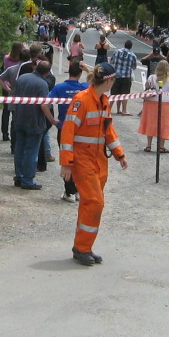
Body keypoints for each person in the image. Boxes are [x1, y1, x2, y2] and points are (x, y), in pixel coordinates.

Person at [59, 62, 128, 266]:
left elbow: (108, 131)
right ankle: (82, 248)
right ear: (107, 81)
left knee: (89, 204)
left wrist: (119, 154)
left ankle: (84, 247)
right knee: (95, 202)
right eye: (113, 80)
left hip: (99, 161)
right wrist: (66, 163)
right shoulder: (82, 100)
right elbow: (67, 132)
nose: (114, 83)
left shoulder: (103, 101)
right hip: (83, 160)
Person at [12, 60, 57, 191]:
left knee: (19, 149)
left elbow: (15, 95)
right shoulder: (43, 84)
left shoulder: (22, 78)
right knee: (31, 151)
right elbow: (44, 105)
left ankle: (19, 177)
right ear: (47, 73)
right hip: (34, 121)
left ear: (36, 67)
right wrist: (52, 120)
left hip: (19, 118)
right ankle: (27, 180)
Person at [47, 61, 88, 202]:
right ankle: (77, 190)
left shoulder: (59, 88)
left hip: (64, 128)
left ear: (68, 72)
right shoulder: (84, 88)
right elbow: (97, 83)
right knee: (79, 161)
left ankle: (70, 192)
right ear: (80, 73)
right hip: (80, 129)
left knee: (67, 160)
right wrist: (88, 70)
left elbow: (44, 103)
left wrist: (52, 120)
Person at [138, 60, 169, 153]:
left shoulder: (152, 77)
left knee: (151, 122)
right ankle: (161, 146)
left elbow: (147, 87)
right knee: (164, 124)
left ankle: (149, 145)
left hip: (152, 102)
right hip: (166, 103)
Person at [0, 41, 26, 141]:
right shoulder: (20, 61)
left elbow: (5, 68)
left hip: (6, 85)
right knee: (15, 111)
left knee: (6, 110)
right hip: (16, 86)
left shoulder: (6, 58)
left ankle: (4, 133)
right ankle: (15, 133)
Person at [108, 39, 138, 115]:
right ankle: (124, 110)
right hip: (126, 76)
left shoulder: (117, 52)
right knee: (124, 94)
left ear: (124, 45)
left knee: (114, 93)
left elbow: (111, 61)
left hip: (116, 76)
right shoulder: (133, 55)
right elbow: (134, 67)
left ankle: (109, 108)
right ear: (131, 47)